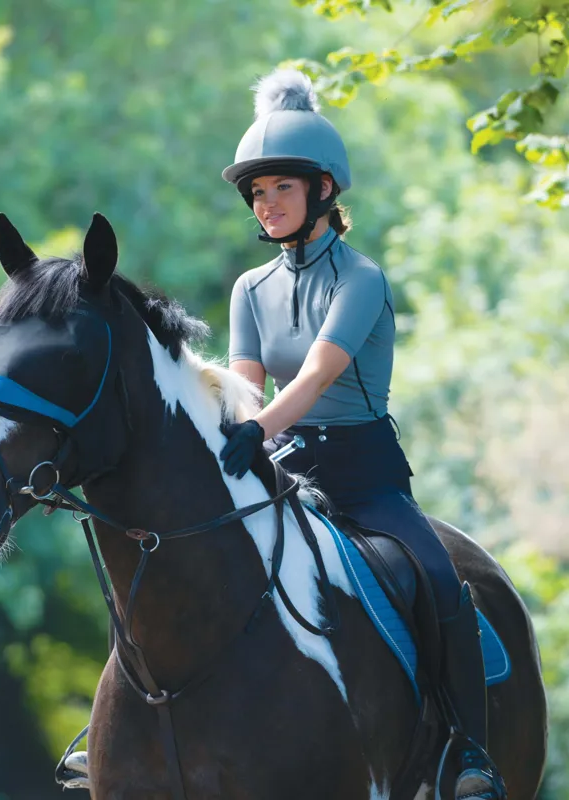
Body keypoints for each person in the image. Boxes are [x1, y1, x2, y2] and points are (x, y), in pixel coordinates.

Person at [218, 67, 503, 799]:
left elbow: (317, 374)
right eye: (258, 191)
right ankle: (131, 727)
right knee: (182, 552)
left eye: (282, 187)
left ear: (322, 189)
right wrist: (245, 432)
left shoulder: (362, 278)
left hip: (364, 475)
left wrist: (258, 428)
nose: (267, 203)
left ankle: (471, 752)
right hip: (282, 466)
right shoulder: (250, 288)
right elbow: (247, 384)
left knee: (439, 579)